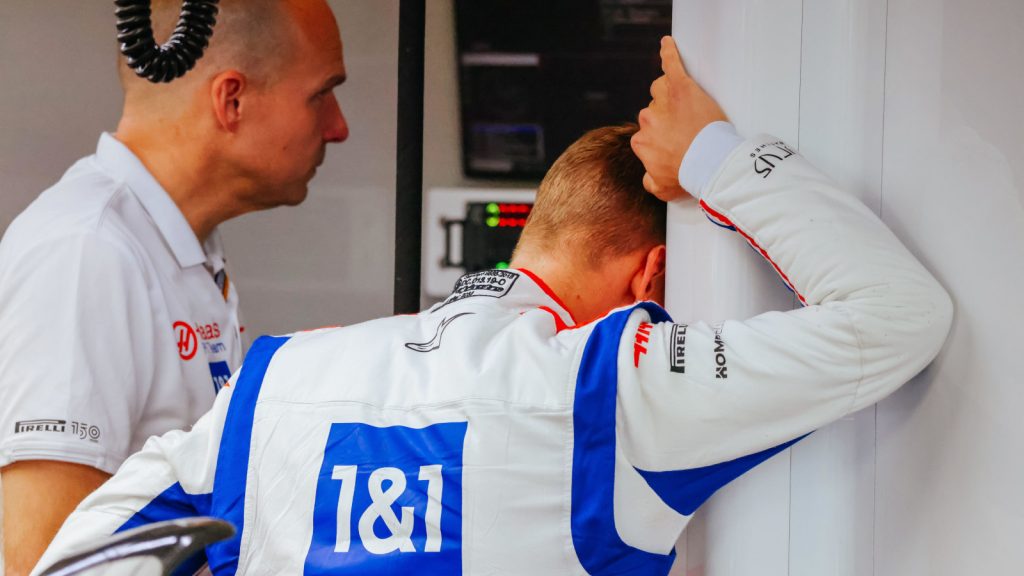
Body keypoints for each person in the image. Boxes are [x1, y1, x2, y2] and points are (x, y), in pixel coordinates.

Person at [35, 37, 951, 576]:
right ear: (650, 281)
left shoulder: (279, 384)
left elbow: (71, 567)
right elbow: (900, 311)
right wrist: (713, 156)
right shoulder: (611, 391)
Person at [0, 1, 349, 572]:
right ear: (231, 100)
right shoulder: (88, 251)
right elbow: (44, 562)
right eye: (322, 93)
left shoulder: (174, 247)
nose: (338, 127)